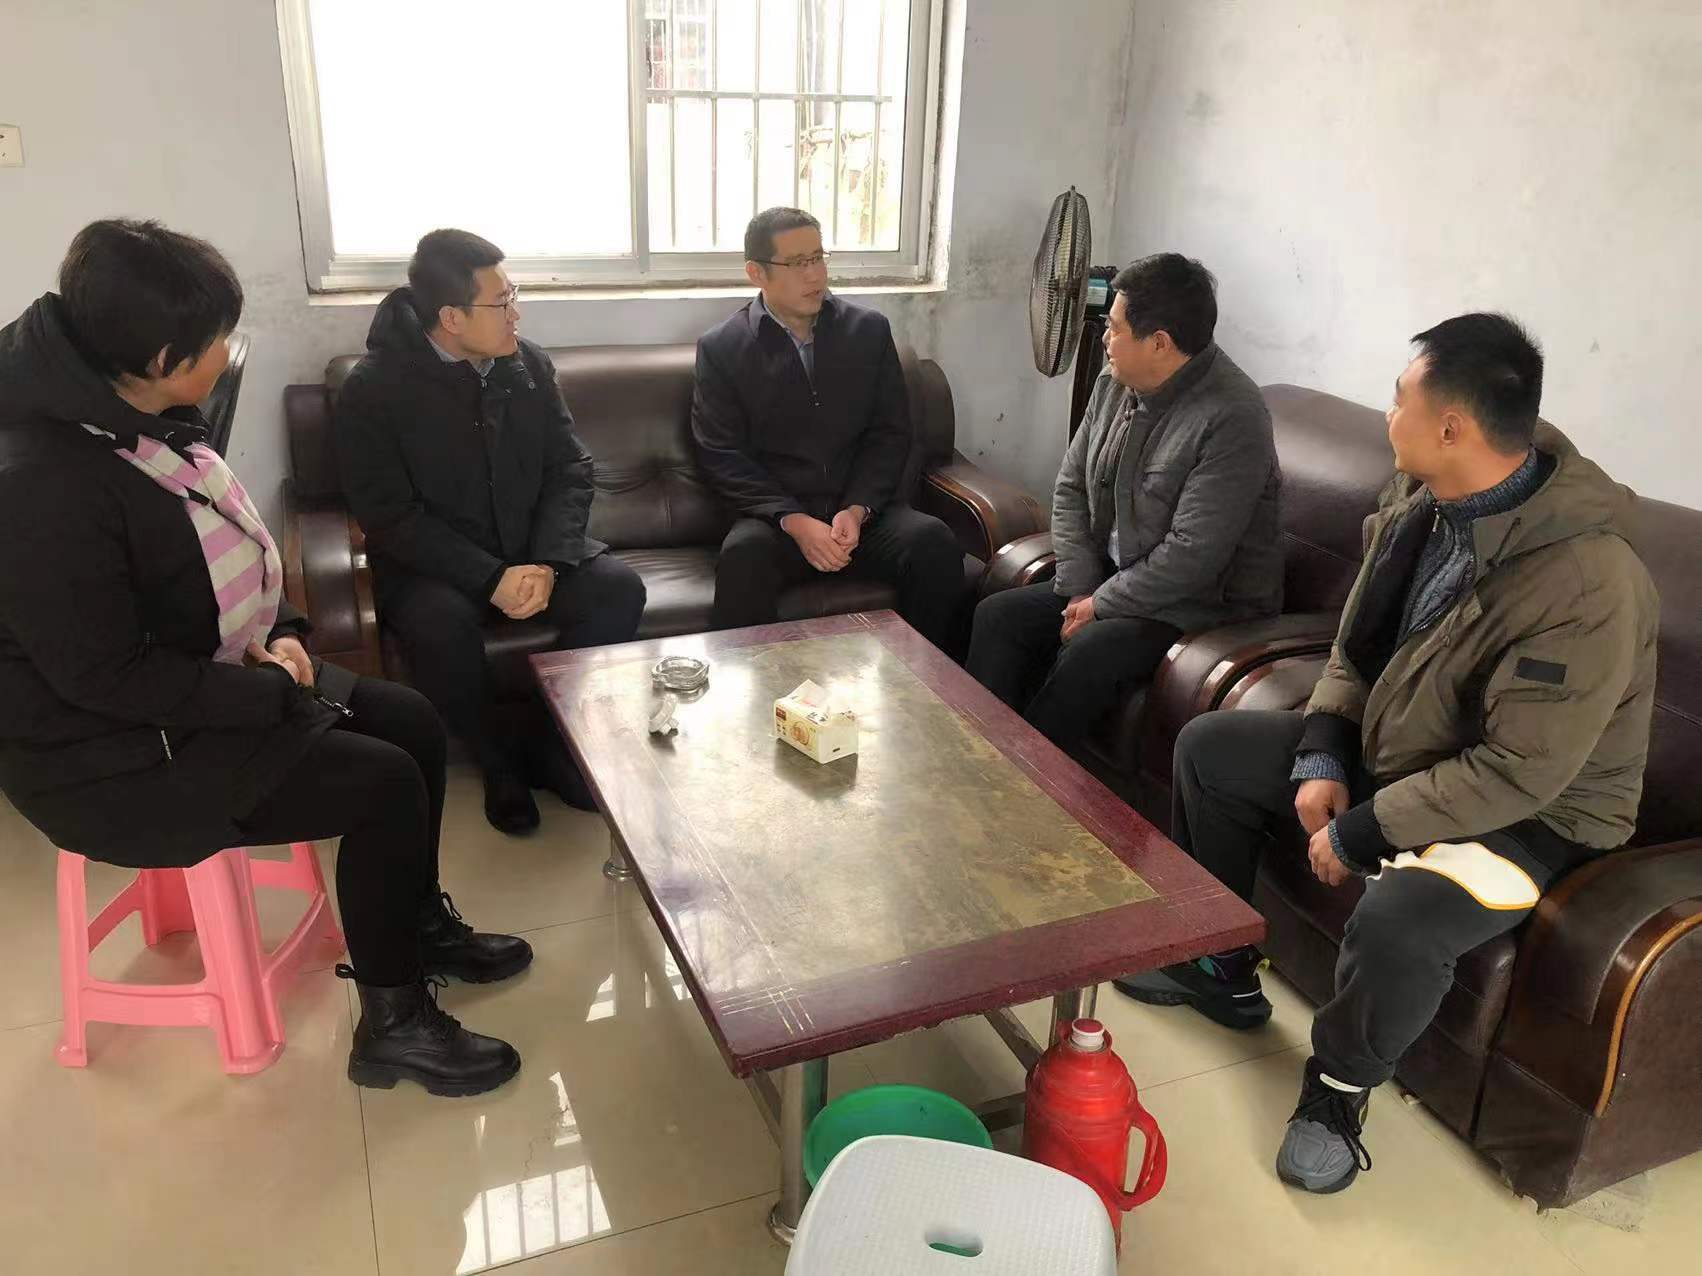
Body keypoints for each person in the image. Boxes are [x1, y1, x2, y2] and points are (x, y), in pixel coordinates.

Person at [1119, 313, 1658, 1194]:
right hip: (1411, 750)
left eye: (1399, 398)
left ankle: (1336, 1093)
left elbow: (1519, 770)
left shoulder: (1588, 581)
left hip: (1533, 813)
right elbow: (1358, 645)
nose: (1387, 414)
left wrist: (1361, 831)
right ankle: (1219, 967)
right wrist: (1324, 752)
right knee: (1213, 750)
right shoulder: (1423, 501)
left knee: (1401, 918)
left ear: (1453, 426)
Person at [0, 220, 531, 1096]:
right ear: (162, 357)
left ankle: (415, 927)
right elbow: (100, 677)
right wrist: (265, 692)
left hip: (205, 679)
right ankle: (395, 1026)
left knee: (410, 720)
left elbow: (218, 543)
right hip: (109, 757)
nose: (230, 353)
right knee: (382, 783)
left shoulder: (128, 407)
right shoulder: (39, 482)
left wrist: (282, 628)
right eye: (218, 338)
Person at [334, 229, 646, 836]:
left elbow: (571, 468)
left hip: (531, 553)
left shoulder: (527, 365)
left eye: (514, 296)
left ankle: (555, 742)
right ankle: (497, 762)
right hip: (437, 569)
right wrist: (489, 576)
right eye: (502, 303)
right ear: (451, 317)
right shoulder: (373, 389)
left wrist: (549, 563)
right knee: (438, 626)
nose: (516, 315)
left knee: (618, 590)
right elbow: (388, 514)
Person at [966, 253, 1282, 751]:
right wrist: (1080, 587)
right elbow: (1070, 487)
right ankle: (976, 756)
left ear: (1159, 343)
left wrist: (1102, 603)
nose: (1104, 339)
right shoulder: (1115, 383)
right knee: (998, 617)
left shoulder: (1233, 417)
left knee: (1092, 651)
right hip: (1107, 581)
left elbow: (1193, 554)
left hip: (1195, 604)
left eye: (1114, 329)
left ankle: (1029, 779)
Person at [690, 207, 963, 648]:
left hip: (860, 517)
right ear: (756, 273)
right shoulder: (723, 348)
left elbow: (890, 433)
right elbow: (721, 455)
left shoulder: (868, 331)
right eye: (798, 263)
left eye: (818, 257)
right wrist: (794, 521)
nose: (814, 274)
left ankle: (931, 683)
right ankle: (753, 687)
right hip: (777, 523)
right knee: (743, 557)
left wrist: (857, 509)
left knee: (932, 542)